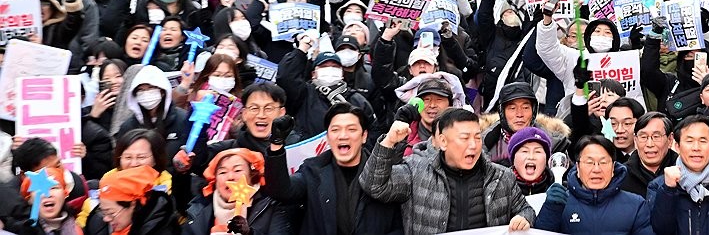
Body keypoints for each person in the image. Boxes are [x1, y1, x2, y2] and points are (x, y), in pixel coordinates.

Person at [357, 108, 536, 235]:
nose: (473, 145)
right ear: (442, 141)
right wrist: (389, 142)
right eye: (464, 138)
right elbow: (374, 185)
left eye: (477, 137)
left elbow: (525, 209)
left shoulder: (501, 177)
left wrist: (523, 217)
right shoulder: (415, 171)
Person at [262, 104, 403, 235]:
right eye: (335, 130)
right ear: (328, 137)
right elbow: (281, 191)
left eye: (351, 129)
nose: (343, 136)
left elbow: (397, 226)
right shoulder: (312, 170)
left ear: (364, 136)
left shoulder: (383, 172)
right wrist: (276, 144)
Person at [533, 135, 654, 234]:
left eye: (603, 162)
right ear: (578, 168)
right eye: (589, 162)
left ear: (613, 168)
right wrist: (551, 209)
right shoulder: (561, 201)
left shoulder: (636, 205)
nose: (596, 169)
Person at [183, 149, 290, 235]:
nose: (230, 177)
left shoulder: (271, 207)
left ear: (251, 175)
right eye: (223, 172)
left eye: (238, 170)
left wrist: (250, 233)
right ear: (214, 179)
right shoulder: (198, 211)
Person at [88, 166, 179, 235]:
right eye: (103, 212)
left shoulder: (160, 229)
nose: (106, 218)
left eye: (111, 213)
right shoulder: (98, 224)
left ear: (133, 204)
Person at [621, 112, 677, 198]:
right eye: (643, 137)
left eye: (656, 136)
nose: (649, 144)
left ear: (670, 139)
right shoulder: (621, 176)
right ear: (635, 141)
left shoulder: (683, 173)